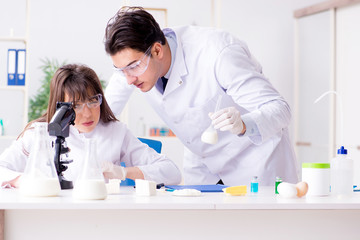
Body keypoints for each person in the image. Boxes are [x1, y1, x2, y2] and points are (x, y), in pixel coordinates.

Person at [104, 7, 298, 186]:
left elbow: (280, 109)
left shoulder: (217, 53)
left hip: (255, 161)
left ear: (157, 50)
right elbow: (102, 114)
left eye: (132, 68)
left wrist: (244, 124)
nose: (128, 79)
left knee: (256, 223)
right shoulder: (132, 63)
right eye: (121, 71)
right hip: (202, 166)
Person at [0, 64, 181, 188]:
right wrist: (23, 180)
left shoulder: (116, 132)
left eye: (93, 101)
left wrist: (123, 172)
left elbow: (171, 172)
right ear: (60, 106)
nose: (87, 113)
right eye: (76, 105)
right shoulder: (38, 134)